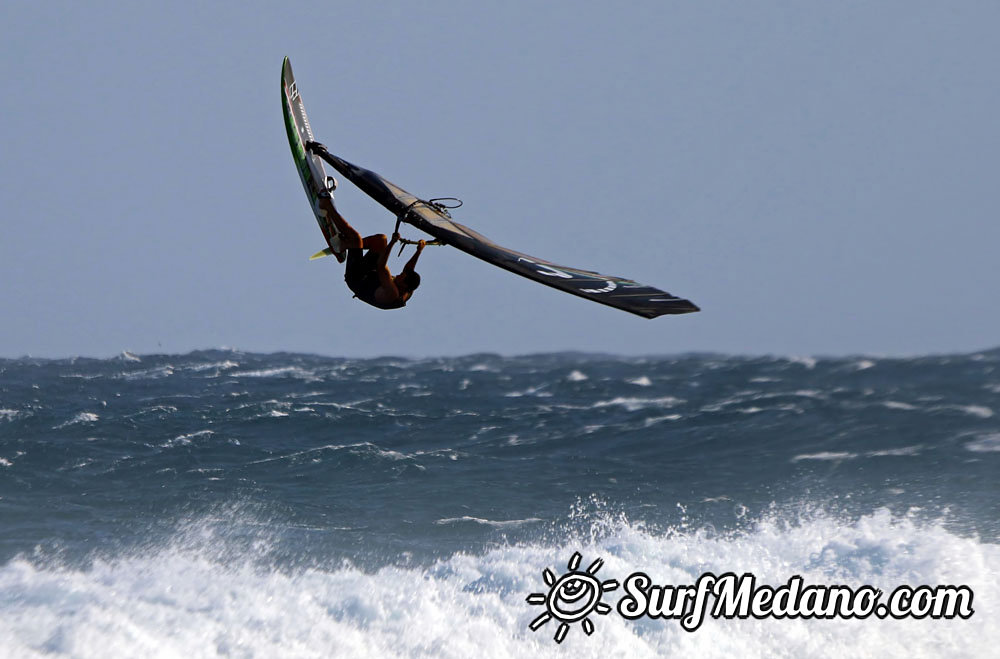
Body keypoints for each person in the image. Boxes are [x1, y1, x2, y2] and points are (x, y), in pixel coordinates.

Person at [306, 141, 425, 309]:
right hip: (370, 273)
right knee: (380, 240)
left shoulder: (393, 293)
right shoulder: (408, 285)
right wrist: (419, 250)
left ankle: (327, 206)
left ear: (404, 286)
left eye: (400, 277)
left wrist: (393, 242)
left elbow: (382, 267)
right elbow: (408, 269)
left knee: (356, 239)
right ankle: (343, 245)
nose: (397, 275)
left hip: (357, 279)